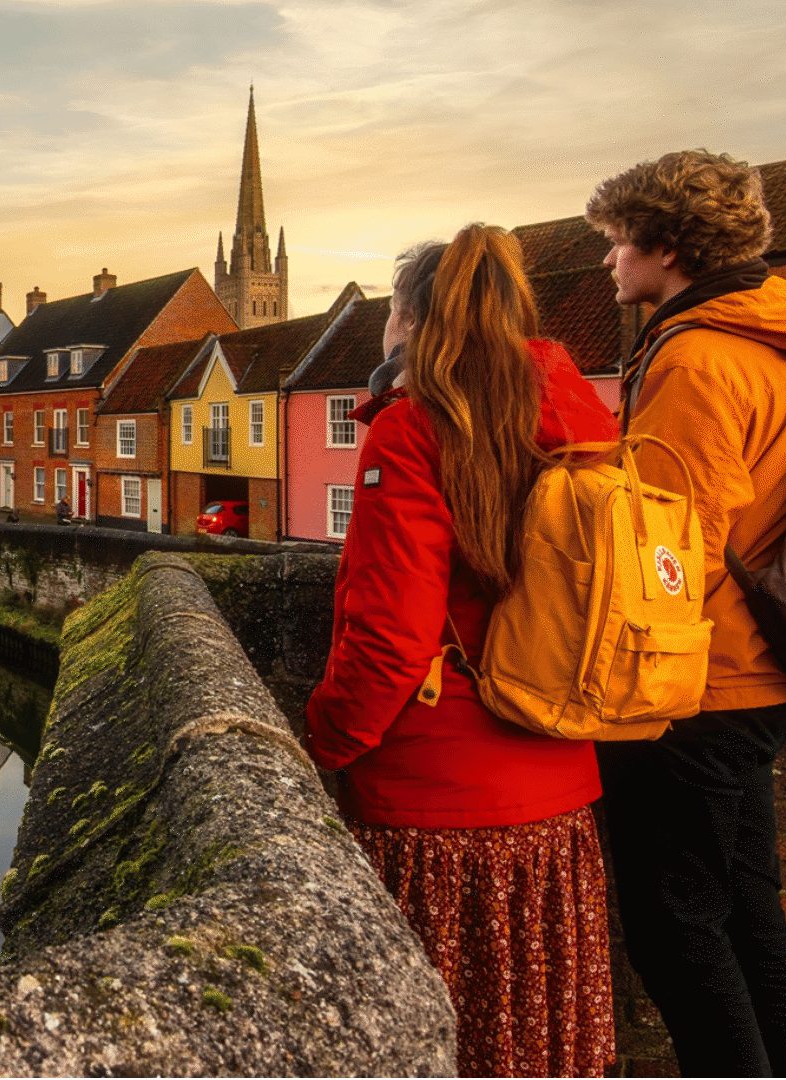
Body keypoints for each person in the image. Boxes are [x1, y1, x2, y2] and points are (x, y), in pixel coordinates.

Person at [305, 225, 619, 1077]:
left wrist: (320, 745)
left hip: (438, 813)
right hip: (559, 803)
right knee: (532, 1040)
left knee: (445, 1040)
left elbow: (389, 639)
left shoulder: (413, 432)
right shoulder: (580, 422)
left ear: (408, 320)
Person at [584, 150, 786, 1078]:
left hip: (701, 686)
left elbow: (670, 548)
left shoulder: (697, 357)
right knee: (745, 909)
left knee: (676, 928)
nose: (610, 264)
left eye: (618, 245)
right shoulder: (776, 339)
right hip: (760, 669)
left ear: (665, 247)